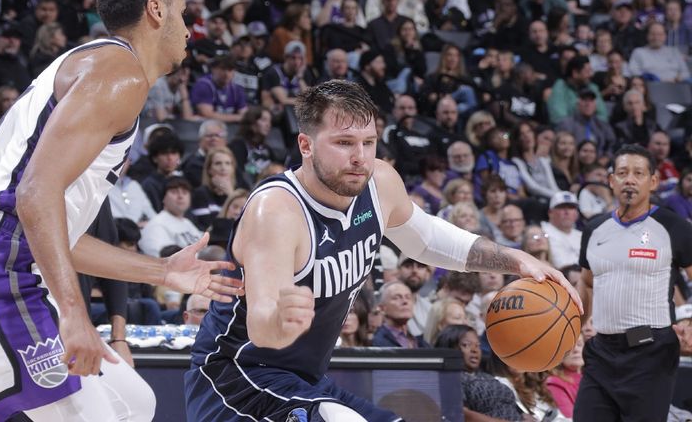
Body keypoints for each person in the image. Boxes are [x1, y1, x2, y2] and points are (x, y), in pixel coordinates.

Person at [0, 0, 243, 422]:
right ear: (156, 11)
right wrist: (74, 313)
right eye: (183, 13)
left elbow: (54, 230)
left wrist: (163, 271)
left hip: (3, 255)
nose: (190, 30)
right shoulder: (121, 72)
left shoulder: (98, 65)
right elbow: (34, 194)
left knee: (134, 404)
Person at [186, 80, 580, 422]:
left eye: (369, 142)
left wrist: (515, 258)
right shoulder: (276, 211)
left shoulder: (379, 181)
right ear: (305, 144)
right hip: (237, 378)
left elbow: (425, 239)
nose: (360, 157)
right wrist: (283, 323)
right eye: (343, 143)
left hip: (301, 380)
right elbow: (261, 325)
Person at [575, 144, 692, 422]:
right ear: (611, 180)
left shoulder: (674, 227)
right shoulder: (593, 229)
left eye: (638, 173)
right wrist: (574, 330)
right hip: (601, 352)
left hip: (651, 353)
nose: (630, 179)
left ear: (653, 181)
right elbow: (588, 283)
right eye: (623, 172)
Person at [371, 280, 431, 348]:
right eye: (396, 298)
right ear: (382, 308)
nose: (405, 302)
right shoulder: (376, 342)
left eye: (408, 297)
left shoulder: (421, 343)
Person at [541, 191, 583, 269]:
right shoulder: (542, 231)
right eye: (561, 207)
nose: (567, 212)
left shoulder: (581, 235)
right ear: (550, 212)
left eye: (571, 207)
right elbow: (561, 265)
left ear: (577, 213)